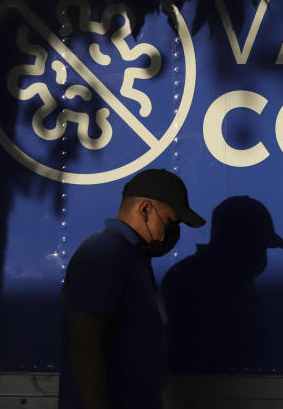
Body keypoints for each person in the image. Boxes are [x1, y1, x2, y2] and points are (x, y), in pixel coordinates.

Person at [58, 168, 205, 409]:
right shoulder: (105, 253)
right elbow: (84, 341)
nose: (174, 233)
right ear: (145, 209)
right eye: (170, 221)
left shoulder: (132, 256)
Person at [162, 195, 283, 372]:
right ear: (238, 244)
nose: (261, 256)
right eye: (258, 246)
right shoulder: (193, 284)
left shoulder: (235, 283)